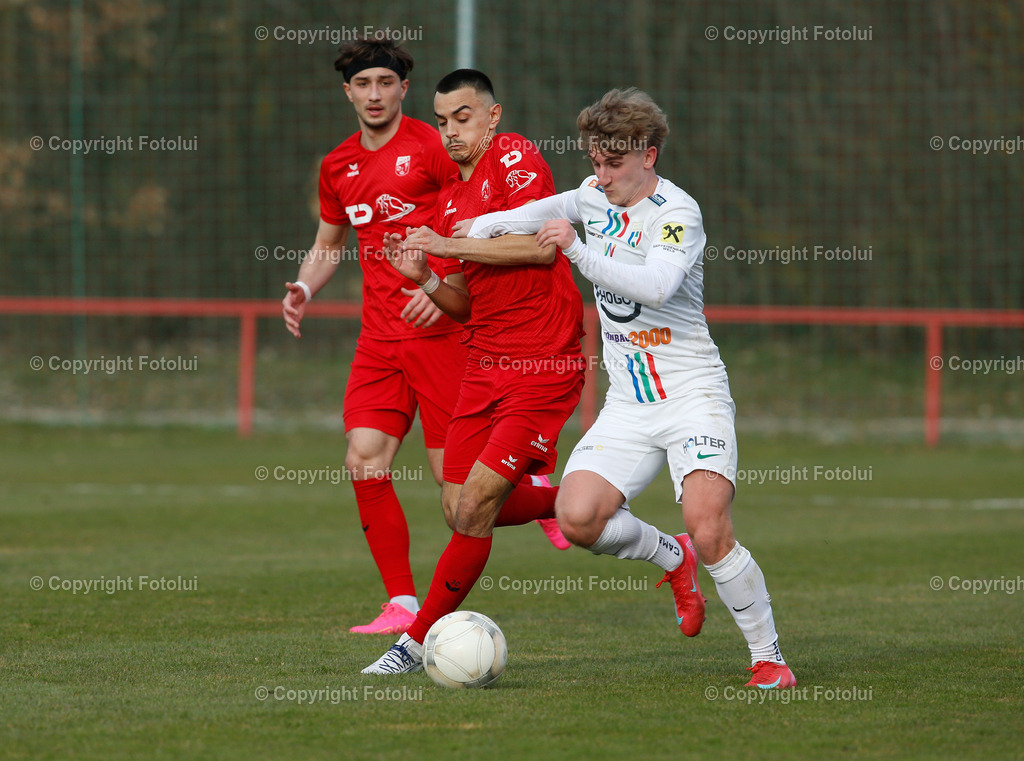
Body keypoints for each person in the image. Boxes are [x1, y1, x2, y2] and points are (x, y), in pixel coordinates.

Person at [463, 88, 796, 688]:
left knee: (709, 523)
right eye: (595, 161)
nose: (602, 175)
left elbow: (656, 287)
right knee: (577, 517)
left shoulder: (678, 214)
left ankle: (768, 659)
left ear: (650, 155)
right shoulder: (593, 196)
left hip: (692, 394)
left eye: (614, 163)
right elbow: (545, 208)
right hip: (630, 404)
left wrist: (577, 251)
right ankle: (673, 558)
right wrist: (481, 224)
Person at [281, 41, 568, 636]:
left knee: (454, 494)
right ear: (349, 93)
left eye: (387, 81)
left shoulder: (436, 148)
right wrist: (305, 288)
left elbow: (470, 221)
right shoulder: (337, 165)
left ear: (403, 88)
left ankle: (552, 497)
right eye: (364, 84)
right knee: (364, 458)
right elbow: (329, 243)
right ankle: (403, 605)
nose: (376, 93)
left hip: (441, 337)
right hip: (379, 340)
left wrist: (437, 286)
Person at [361, 69, 585, 675]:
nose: (452, 131)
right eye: (442, 121)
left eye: (464, 117)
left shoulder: (514, 156)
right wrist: (427, 279)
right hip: (484, 362)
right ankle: (579, 504)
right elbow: (463, 302)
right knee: (459, 507)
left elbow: (542, 247)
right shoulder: (450, 202)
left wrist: (446, 245)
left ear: (492, 115)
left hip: (543, 360)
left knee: (479, 499)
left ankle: (412, 642)